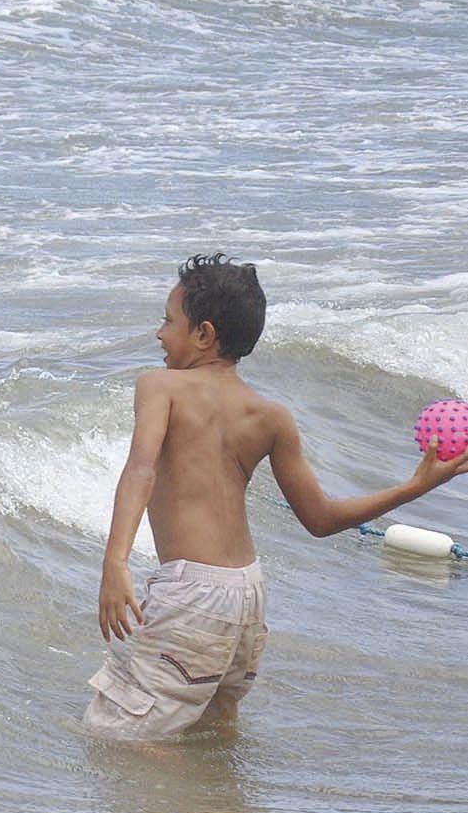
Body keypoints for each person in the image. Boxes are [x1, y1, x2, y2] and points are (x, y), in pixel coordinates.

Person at [87, 254, 468, 739]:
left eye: (167, 321)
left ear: (203, 334)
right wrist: (415, 487)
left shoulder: (160, 386)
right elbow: (322, 518)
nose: (159, 334)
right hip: (247, 597)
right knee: (212, 732)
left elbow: (140, 467)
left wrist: (115, 561)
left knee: (117, 736)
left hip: (192, 595)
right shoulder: (271, 415)